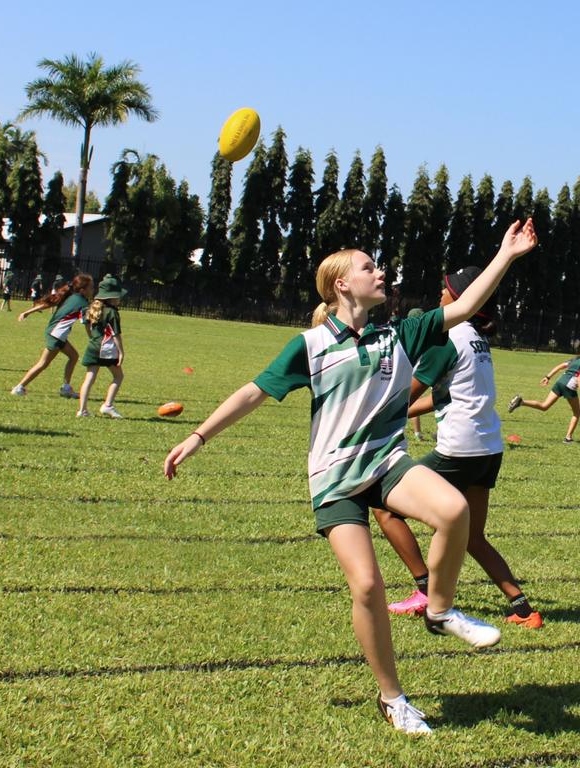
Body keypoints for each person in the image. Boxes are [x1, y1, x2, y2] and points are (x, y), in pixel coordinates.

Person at [163, 219, 537, 735]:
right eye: (369, 267)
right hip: (335, 478)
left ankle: (440, 611)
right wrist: (198, 437)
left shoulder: (401, 333)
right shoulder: (310, 346)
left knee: (453, 511)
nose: (381, 273)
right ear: (342, 284)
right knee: (366, 585)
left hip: (385, 463)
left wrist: (506, 255)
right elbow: (252, 392)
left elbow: (467, 306)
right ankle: (393, 698)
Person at [374, 266, 543, 630]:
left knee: (383, 504)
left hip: (459, 451)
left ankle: (424, 590)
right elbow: (443, 398)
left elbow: (411, 391)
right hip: (488, 449)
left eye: (445, 289)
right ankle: (522, 608)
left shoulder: (448, 336)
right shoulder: (478, 339)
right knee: (473, 537)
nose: (440, 295)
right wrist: (399, 413)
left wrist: (374, 410)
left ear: (461, 297)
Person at [11, 274, 94, 398]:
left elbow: (48, 303)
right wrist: (93, 339)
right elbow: (86, 324)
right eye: (91, 288)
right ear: (82, 290)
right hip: (56, 334)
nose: (93, 290)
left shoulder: (71, 296)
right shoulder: (83, 303)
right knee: (43, 363)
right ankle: (19, 387)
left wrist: (27, 312)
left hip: (56, 333)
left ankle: (66, 388)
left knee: (73, 356)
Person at [507, 339, 580, 443]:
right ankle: (568, 438)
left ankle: (521, 402)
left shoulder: (576, 359)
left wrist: (548, 377)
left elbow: (560, 366)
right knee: (577, 412)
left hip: (560, 381)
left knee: (544, 406)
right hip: (569, 386)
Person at [77, 274, 126, 418]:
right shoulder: (112, 312)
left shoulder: (91, 307)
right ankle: (108, 405)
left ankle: (82, 410)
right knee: (118, 376)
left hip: (92, 346)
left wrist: (92, 339)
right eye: (118, 296)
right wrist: (121, 352)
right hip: (107, 349)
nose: (119, 299)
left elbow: (87, 326)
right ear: (111, 297)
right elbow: (116, 335)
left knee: (89, 379)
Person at [406, 308, 426, 441]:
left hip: (409, 369)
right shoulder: (427, 333)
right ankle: (418, 433)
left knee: (409, 399)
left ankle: (417, 432)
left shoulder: (407, 332)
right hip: (423, 368)